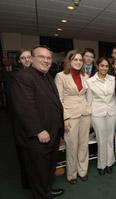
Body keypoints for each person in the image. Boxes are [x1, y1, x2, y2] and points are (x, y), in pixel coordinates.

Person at [10, 45, 64, 198]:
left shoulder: (46, 76)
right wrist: (39, 130)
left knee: (48, 166)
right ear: (32, 59)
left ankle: (47, 190)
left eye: (48, 58)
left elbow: (54, 102)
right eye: (42, 57)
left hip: (52, 132)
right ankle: (42, 195)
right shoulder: (24, 77)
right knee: (39, 169)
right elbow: (25, 107)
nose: (46, 60)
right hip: (39, 135)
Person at [54, 50, 91, 184]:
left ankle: (83, 171)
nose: (78, 62)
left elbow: (88, 95)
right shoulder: (60, 76)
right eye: (75, 59)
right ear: (69, 61)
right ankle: (72, 174)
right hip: (70, 115)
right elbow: (59, 99)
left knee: (83, 144)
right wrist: (65, 117)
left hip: (85, 114)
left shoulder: (86, 76)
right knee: (71, 146)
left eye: (80, 60)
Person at [85, 57, 116, 175]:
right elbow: (89, 100)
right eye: (102, 66)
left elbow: (114, 97)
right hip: (97, 113)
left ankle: (109, 163)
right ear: (97, 66)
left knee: (110, 139)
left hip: (112, 112)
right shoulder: (89, 81)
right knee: (101, 139)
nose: (104, 68)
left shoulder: (113, 79)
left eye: (106, 66)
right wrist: (88, 118)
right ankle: (101, 165)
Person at [4, 49, 32, 189]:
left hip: (35, 121)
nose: (27, 60)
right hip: (21, 123)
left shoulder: (36, 73)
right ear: (19, 60)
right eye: (23, 57)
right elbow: (15, 103)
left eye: (29, 57)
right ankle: (29, 183)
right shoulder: (12, 76)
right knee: (25, 155)